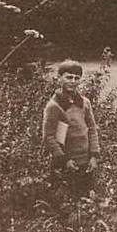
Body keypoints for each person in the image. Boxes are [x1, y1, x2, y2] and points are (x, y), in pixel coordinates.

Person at [42, 60, 101, 197]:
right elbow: (48, 137)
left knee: (88, 200)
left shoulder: (84, 103)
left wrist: (94, 155)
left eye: (76, 78)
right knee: (66, 200)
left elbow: (92, 128)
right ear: (59, 78)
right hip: (66, 163)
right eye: (69, 77)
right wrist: (65, 160)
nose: (72, 81)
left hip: (86, 162)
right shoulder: (54, 106)